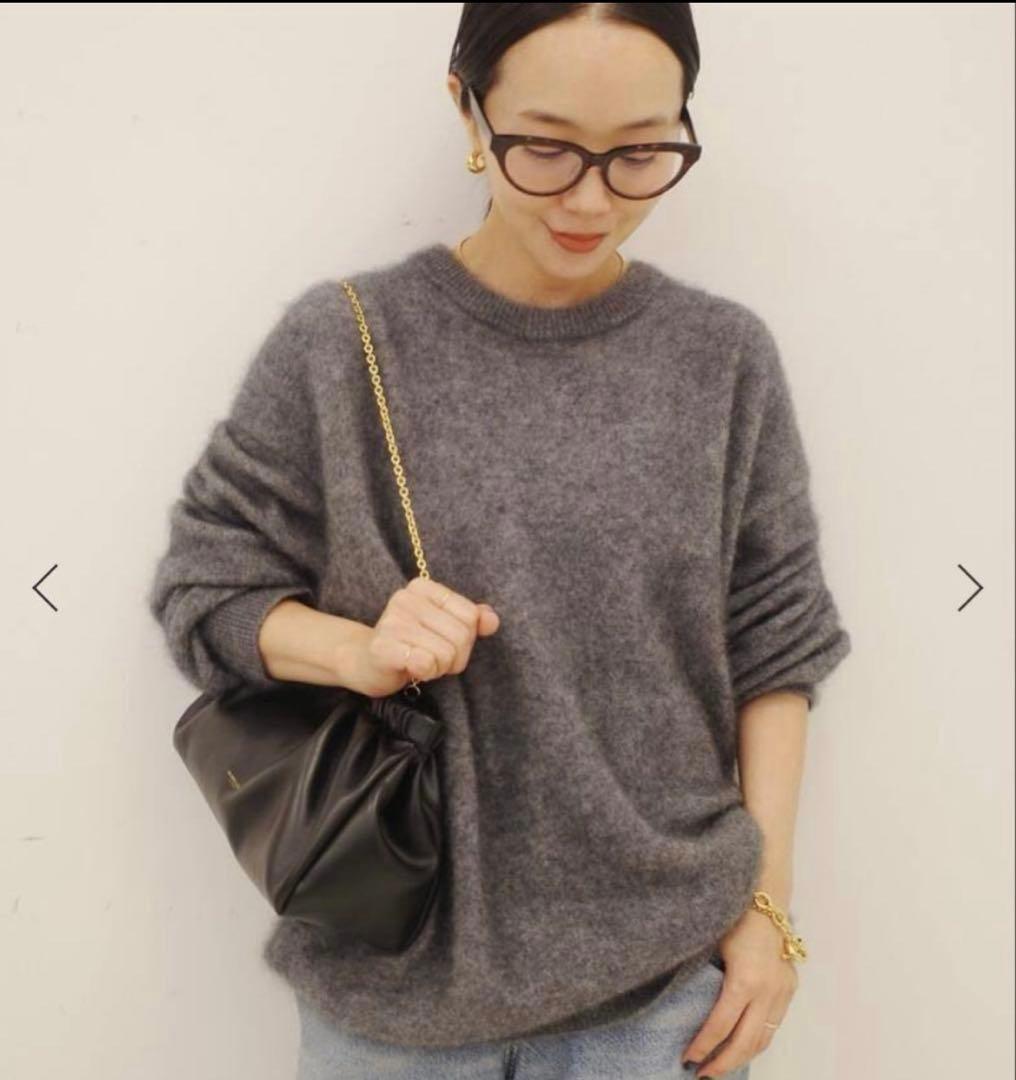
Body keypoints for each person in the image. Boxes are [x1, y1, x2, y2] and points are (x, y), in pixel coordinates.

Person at [148, 4, 852, 1078]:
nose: (591, 200)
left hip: (662, 993)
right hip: (391, 992)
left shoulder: (721, 359)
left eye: (640, 154)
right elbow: (205, 588)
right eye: (546, 147)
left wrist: (766, 911)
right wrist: (356, 650)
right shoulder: (342, 344)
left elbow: (774, 649)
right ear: (467, 110)